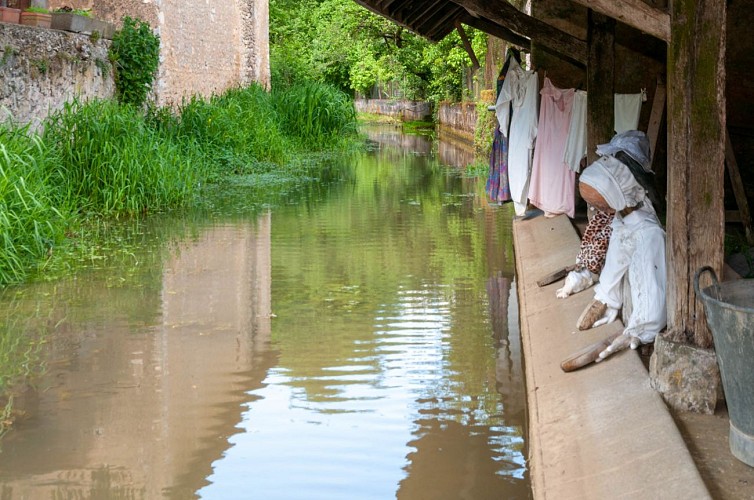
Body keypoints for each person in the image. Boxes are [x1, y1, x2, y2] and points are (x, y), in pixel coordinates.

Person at [574, 131, 666, 361]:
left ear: (619, 194)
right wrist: (606, 297)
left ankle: (641, 332)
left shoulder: (649, 234)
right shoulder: (621, 220)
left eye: (600, 205)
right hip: (626, 303)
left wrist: (639, 329)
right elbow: (615, 262)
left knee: (646, 279)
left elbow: (653, 286)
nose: (596, 210)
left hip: (645, 318)